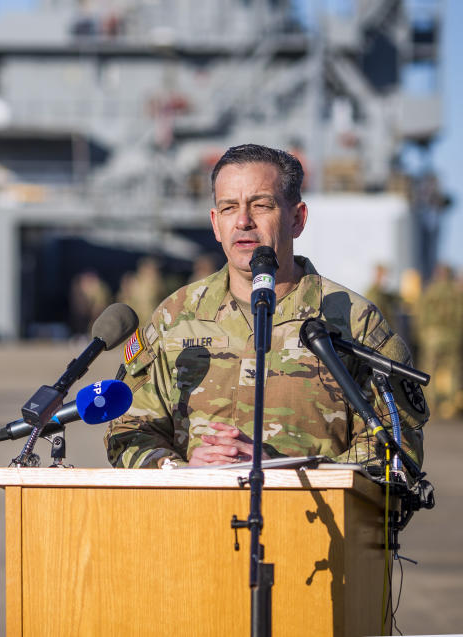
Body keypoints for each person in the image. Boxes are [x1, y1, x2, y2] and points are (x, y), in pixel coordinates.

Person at [105, 144, 426, 470]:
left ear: (297, 219)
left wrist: (287, 470)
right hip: (193, 516)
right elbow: (128, 430)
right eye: (229, 208)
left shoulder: (355, 322)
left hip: (311, 518)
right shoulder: (173, 318)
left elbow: (399, 449)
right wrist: (177, 470)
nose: (243, 221)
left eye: (261, 205)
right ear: (216, 224)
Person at [415, 264, 463, 419]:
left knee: (429, 370)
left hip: (432, 336)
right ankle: (451, 404)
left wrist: (422, 334)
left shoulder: (430, 291)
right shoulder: (457, 292)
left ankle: (430, 404)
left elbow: (420, 314)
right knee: (454, 370)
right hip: (452, 336)